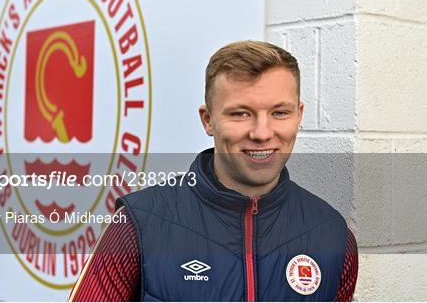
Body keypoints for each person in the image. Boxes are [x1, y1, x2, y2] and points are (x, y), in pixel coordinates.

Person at [69, 41, 358, 301]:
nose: (262, 132)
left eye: (280, 112)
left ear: (299, 115)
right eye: (240, 113)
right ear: (208, 120)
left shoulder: (333, 235)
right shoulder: (138, 225)